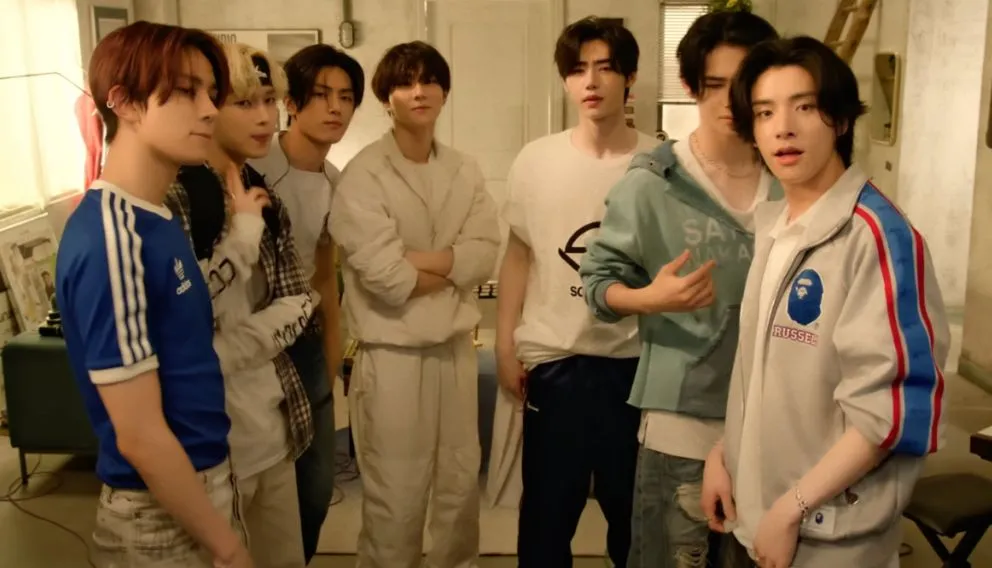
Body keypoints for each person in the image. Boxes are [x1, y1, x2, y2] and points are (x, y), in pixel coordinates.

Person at [701, 36, 950, 568]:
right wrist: (725, 454)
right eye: (765, 112)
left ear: (839, 119)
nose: (782, 128)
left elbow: (890, 413)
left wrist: (791, 509)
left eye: (805, 107)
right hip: (754, 518)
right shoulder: (777, 227)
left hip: (829, 537)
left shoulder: (875, 237)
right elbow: (763, 378)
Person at [578, 11, 779, 567]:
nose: (730, 101)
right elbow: (597, 283)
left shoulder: (790, 177)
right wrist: (649, 299)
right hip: (683, 424)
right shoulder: (652, 183)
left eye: (745, 84)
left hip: (775, 423)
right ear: (691, 87)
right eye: (714, 84)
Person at [55, 21, 253, 568]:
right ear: (124, 103)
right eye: (187, 91)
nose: (210, 110)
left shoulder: (159, 215)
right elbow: (139, 434)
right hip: (156, 513)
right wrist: (226, 547)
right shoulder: (111, 236)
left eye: (210, 92)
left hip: (201, 480)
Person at [490, 17, 658, 568]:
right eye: (579, 69)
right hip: (557, 362)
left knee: (634, 520)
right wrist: (505, 344)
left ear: (630, 77)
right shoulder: (535, 160)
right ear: (565, 79)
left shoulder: (660, 163)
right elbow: (519, 254)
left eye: (606, 68)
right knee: (545, 519)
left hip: (636, 366)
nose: (592, 81)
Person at [329, 40, 500, 567]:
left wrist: (418, 261)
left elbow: (484, 254)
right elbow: (386, 278)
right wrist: (451, 266)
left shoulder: (465, 169)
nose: (418, 91)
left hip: (455, 350)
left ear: (445, 92)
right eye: (405, 83)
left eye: (429, 81)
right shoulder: (363, 174)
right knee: (395, 499)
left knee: (458, 491)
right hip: (392, 355)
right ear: (386, 98)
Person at [165, 42, 314, 568]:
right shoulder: (174, 196)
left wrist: (226, 351)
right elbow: (179, 316)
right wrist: (242, 236)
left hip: (273, 423)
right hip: (206, 442)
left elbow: (300, 299)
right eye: (245, 103)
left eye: (270, 101)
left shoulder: (260, 190)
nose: (265, 118)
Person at [248, 44, 364, 563]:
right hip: (251, 345)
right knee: (263, 494)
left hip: (306, 345)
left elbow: (324, 275)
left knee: (314, 494)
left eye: (346, 97)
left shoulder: (337, 182)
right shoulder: (254, 165)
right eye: (320, 95)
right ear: (291, 102)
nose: (335, 108)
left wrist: (332, 358)